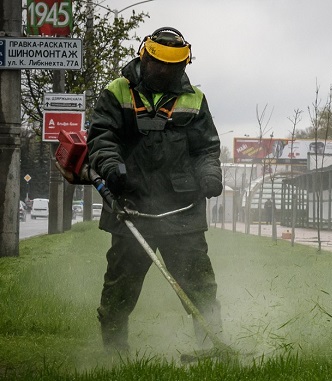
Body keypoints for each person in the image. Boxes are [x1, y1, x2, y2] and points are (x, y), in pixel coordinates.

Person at [86, 27, 223, 352]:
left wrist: (210, 174)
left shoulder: (195, 99)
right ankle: (114, 354)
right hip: (130, 207)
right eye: (158, 63)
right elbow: (101, 137)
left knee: (200, 288)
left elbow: (206, 149)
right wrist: (111, 167)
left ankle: (211, 348)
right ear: (144, 56)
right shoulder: (117, 91)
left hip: (182, 213)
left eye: (173, 65)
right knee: (119, 291)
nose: (164, 70)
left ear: (184, 64)